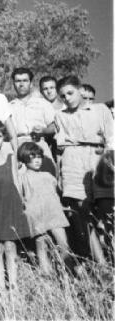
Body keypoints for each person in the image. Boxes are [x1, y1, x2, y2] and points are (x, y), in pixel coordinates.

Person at [55, 76, 113, 263]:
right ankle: (101, 264)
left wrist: (108, 156)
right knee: (83, 212)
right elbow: (62, 144)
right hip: (73, 161)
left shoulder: (99, 110)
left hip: (98, 159)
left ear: (80, 90)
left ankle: (111, 255)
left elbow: (110, 136)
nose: (67, 98)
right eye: (63, 96)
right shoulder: (60, 115)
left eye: (70, 93)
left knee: (106, 208)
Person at [0, 121, 30, 294]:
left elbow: (16, 182)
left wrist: (22, 203)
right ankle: (1, 287)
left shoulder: (11, 157)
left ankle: (14, 286)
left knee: (10, 246)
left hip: (9, 204)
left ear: (4, 138)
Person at [18, 142, 73, 273]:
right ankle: (46, 276)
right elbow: (21, 198)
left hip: (54, 214)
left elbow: (57, 193)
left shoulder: (48, 176)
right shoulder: (22, 178)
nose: (37, 160)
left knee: (63, 245)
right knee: (41, 246)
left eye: (39, 157)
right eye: (32, 157)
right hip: (36, 216)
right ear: (24, 158)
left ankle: (68, 275)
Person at [10, 68, 57, 169]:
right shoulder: (8, 106)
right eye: (18, 81)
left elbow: (54, 126)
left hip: (39, 143)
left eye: (25, 81)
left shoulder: (43, 103)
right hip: (18, 146)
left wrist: (43, 130)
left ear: (31, 83)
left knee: (47, 178)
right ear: (13, 84)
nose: (21, 84)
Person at [92, 150, 114, 262]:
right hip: (107, 203)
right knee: (108, 234)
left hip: (102, 204)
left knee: (106, 235)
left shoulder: (98, 173)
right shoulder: (105, 171)